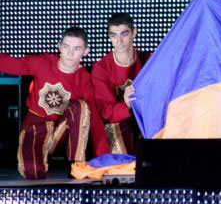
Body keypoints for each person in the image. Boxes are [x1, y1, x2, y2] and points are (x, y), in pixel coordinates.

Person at [0, 27, 109, 179]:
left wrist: (104, 157)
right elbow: (10, 64)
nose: (70, 53)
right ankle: (39, 158)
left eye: (77, 48)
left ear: (85, 51)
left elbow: (95, 120)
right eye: (66, 47)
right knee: (32, 171)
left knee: (81, 107)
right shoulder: (43, 63)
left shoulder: (84, 79)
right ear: (59, 47)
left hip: (60, 134)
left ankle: (76, 164)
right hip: (35, 127)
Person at [92, 13, 150, 154]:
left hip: (146, 119)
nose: (119, 41)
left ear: (134, 32)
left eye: (124, 34)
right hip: (118, 123)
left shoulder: (148, 60)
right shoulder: (101, 68)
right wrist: (126, 105)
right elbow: (105, 111)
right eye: (114, 36)